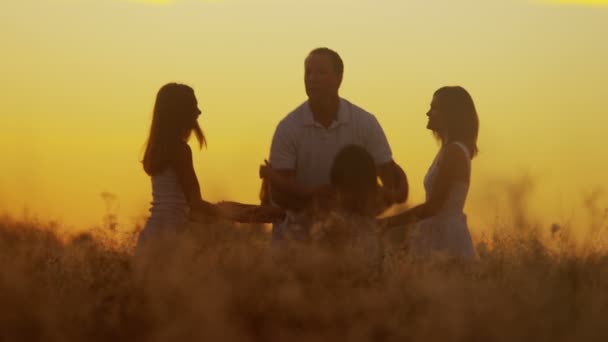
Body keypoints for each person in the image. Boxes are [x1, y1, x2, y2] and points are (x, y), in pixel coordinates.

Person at [266, 47, 408, 241]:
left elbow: (393, 184)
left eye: (320, 72)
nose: (312, 78)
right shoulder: (288, 127)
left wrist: (355, 210)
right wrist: (326, 206)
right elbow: (280, 195)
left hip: (354, 244)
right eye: (308, 72)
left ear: (339, 78)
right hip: (298, 244)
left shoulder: (365, 123)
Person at [380, 86, 479, 259]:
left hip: (446, 238)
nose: (428, 113)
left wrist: (388, 223)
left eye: (434, 108)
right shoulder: (449, 150)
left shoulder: (453, 152)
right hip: (439, 232)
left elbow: (433, 207)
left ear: (450, 114)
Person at [137, 83, 222, 250]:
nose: (198, 112)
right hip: (171, 238)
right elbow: (195, 203)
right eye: (194, 107)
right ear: (180, 113)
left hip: (149, 237)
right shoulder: (181, 150)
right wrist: (227, 213)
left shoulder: (157, 150)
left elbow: (180, 206)